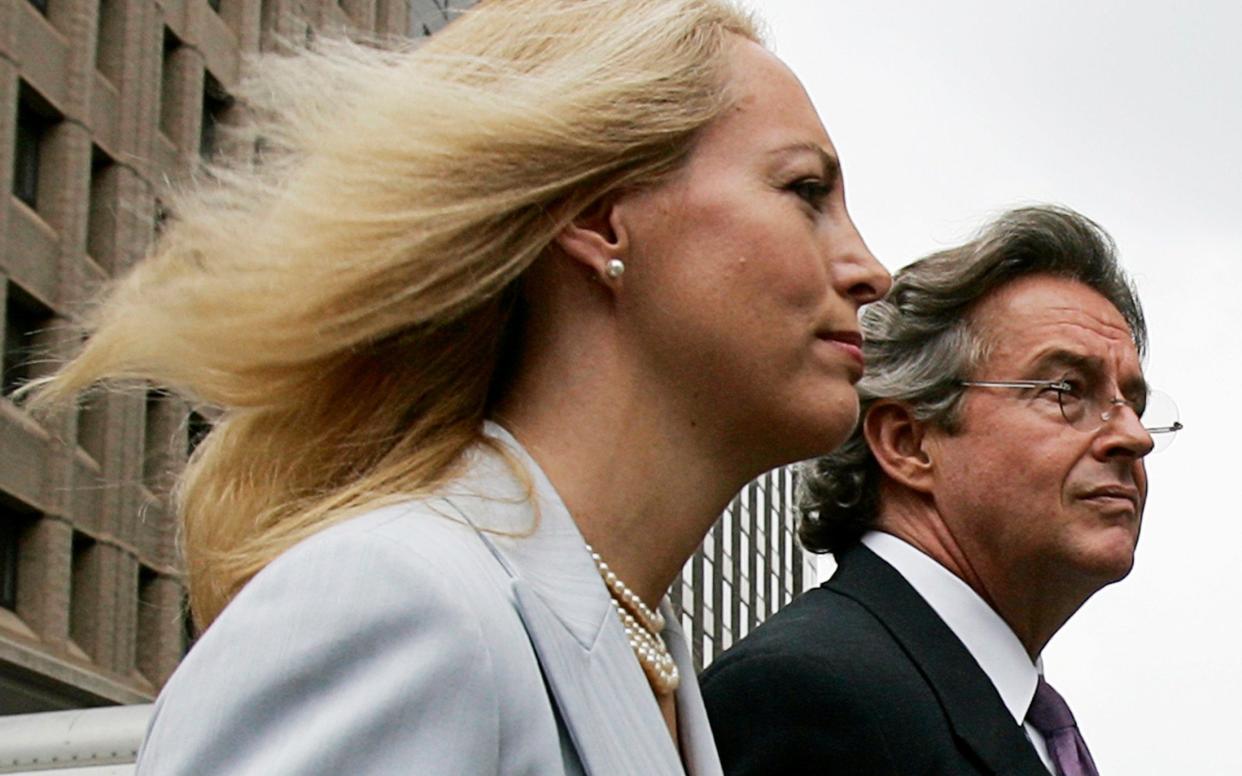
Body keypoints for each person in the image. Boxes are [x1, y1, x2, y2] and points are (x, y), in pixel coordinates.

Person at [29, 1, 891, 773]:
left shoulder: (645, 655)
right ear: (596, 217)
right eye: (805, 191)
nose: (870, 271)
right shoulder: (400, 605)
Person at [700, 206, 1182, 776]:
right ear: (908, 443)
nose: (1131, 437)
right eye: (1064, 390)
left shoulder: (1012, 716)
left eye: (1136, 405)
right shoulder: (806, 694)